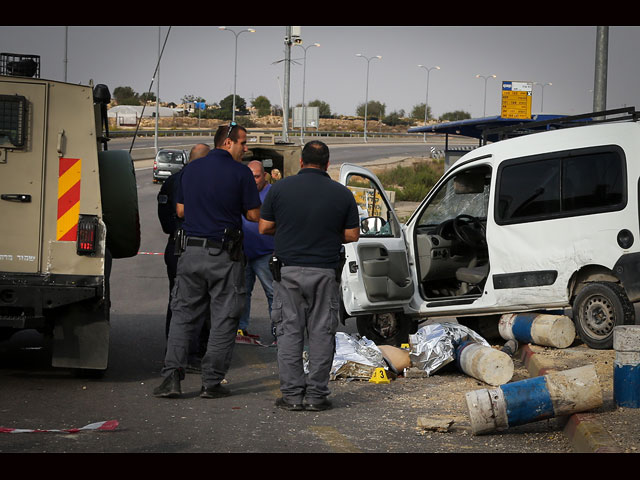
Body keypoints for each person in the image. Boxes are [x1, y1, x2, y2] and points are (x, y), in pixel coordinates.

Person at [153, 123, 261, 399]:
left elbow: (180, 209)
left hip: (189, 253)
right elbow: (252, 215)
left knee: (182, 316)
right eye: (243, 143)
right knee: (224, 318)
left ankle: (171, 379)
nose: (245, 148)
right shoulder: (241, 173)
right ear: (228, 143)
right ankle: (211, 382)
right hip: (224, 256)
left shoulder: (190, 170)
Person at [259, 140, 360, 411]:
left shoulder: (280, 188)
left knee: (290, 332)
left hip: (288, 272)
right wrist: (325, 232)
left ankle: (292, 396)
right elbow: (352, 235)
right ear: (327, 164)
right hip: (325, 273)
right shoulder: (341, 194)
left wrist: (290, 230)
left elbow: (264, 227)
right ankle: (316, 396)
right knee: (321, 334)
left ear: (301, 162)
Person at [157, 143, 211, 372]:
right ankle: (196, 353)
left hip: (176, 244)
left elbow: (163, 209)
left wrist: (172, 229)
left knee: (177, 301)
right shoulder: (204, 179)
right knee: (204, 301)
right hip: (197, 244)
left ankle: (174, 352)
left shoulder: (172, 180)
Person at [238, 160, 275, 341]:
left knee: (273, 293)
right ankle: (240, 328)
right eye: (250, 177)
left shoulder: (272, 194)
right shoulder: (241, 193)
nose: (253, 181)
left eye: (257, 176)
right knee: (242, 293)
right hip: (243, 253)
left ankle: (278, 331)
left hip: (266, 254)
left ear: (265, 175)